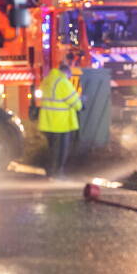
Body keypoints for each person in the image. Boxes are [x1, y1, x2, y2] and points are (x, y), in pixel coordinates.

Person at [38, 51, 83, 180]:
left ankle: (51, 172)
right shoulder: (63, 82)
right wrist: (81, 105)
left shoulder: (48, 80)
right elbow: (75, 102)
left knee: (52, 149)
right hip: (60, 123)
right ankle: (57, 174)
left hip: (48, 122)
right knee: (60, 151)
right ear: (67, 73)